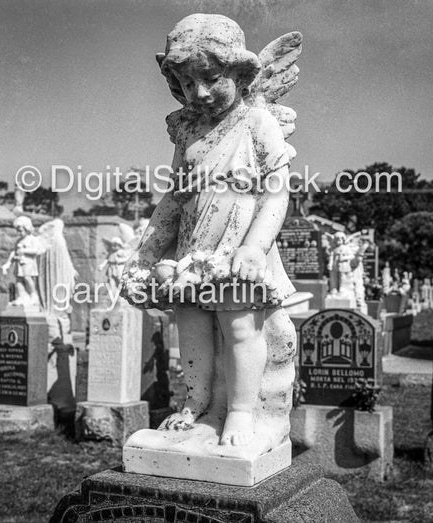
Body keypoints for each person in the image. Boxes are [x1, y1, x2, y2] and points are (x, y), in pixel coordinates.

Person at [121, 14, 297, 446]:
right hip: (192, 250)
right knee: (193, 327)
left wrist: (254, 249)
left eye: (211, 79)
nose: (196, 93)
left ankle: (240, 411)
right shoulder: (188, 131)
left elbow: (277, 191)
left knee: (239, 328)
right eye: (184, 83)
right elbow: (174, 196)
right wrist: (146, 252)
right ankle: (199, 406)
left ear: (239, 73)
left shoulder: (256, 123)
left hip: (240, 253)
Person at [1, 216, 40, 306]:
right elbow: (14, 252)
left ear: (27, 228)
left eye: (21, 230)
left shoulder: (33, 239)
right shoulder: (19, 240)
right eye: (18, 231)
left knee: (27, 278)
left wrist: (24, 251)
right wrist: (7, 264)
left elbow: (36, 251)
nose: (19, 233)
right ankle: (23, 296)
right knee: (18, 280)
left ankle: (34, 295)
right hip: (19, 263)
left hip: (28, 263)